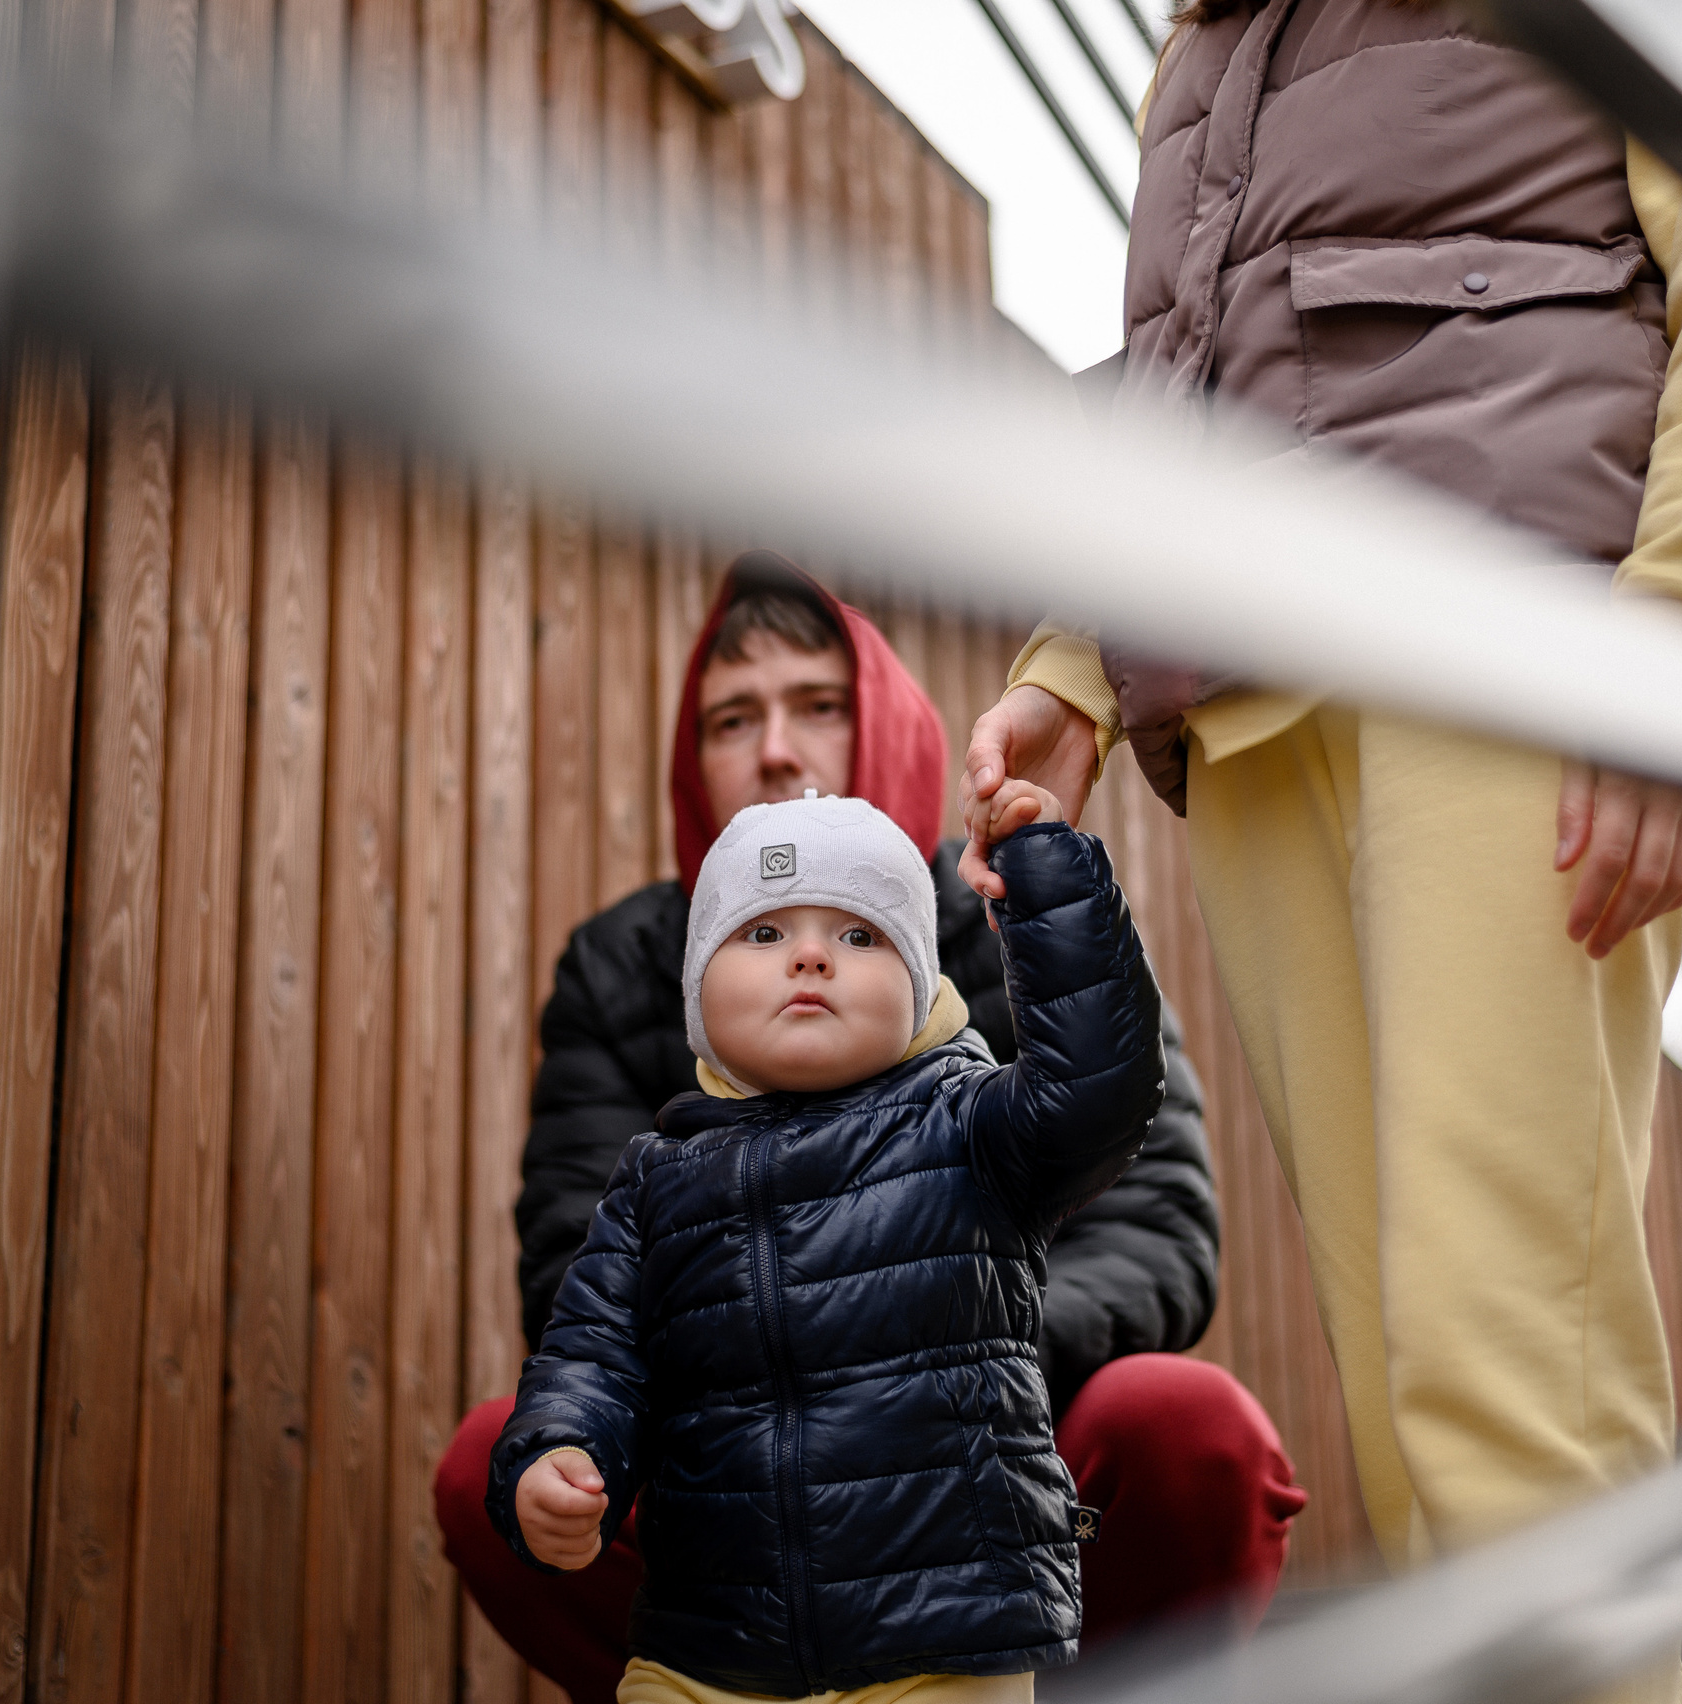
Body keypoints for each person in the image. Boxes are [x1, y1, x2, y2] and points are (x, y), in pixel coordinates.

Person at [960, 4, 1682, 1701]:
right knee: (1406, 1407)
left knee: (1507, 1365)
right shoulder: (1215, 40)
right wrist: (1076, 654)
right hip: (1255, 688)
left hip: (1508, 642)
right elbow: (1191, 357)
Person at [435, 554, 1304, 1704]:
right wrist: (607, 1435)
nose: (777, 748)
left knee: (1186, 1426)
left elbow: (1147, 1207)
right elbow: (579, 1276)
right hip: (733, 1485)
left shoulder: (1005, 925)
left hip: (995, 1449)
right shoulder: (625, 970)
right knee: (499, 1464)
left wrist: (919, 1367)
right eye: (733, 717)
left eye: (819, 704)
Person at [488, 790, 1166, 1702]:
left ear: (921, 986)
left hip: (943, 1640)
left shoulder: (969, 1128)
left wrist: (1044, 874)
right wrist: (559, 1453)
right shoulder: (655, 1182)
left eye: (860, 936)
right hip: (709, 1651)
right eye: (763, 935)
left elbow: (1097, 1091)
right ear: (697, 988)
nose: (810, 955)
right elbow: (592, 1358)